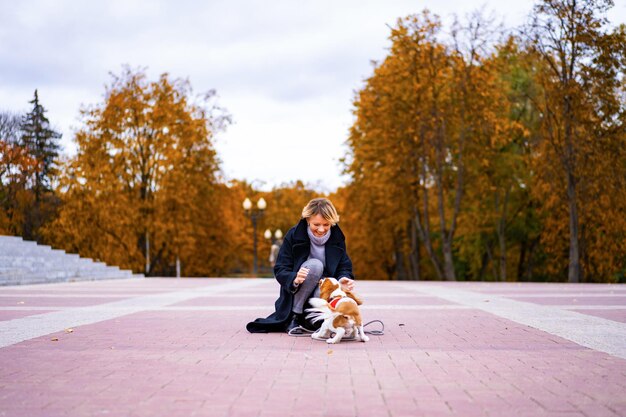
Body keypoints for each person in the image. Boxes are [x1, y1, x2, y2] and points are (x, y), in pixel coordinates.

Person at [246, 198, 355, 333]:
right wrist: (294, 278)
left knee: (327, 284)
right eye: (316, 224)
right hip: (298, 292)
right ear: (307, 220)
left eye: (326, 225)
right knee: (316, 265)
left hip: (322, 292)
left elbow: (344, 266)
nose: (321, 230)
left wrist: (343, 279)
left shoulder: (337, 237)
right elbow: (280, 268)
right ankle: (295, 317)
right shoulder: (293, 235)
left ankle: (317, 320)